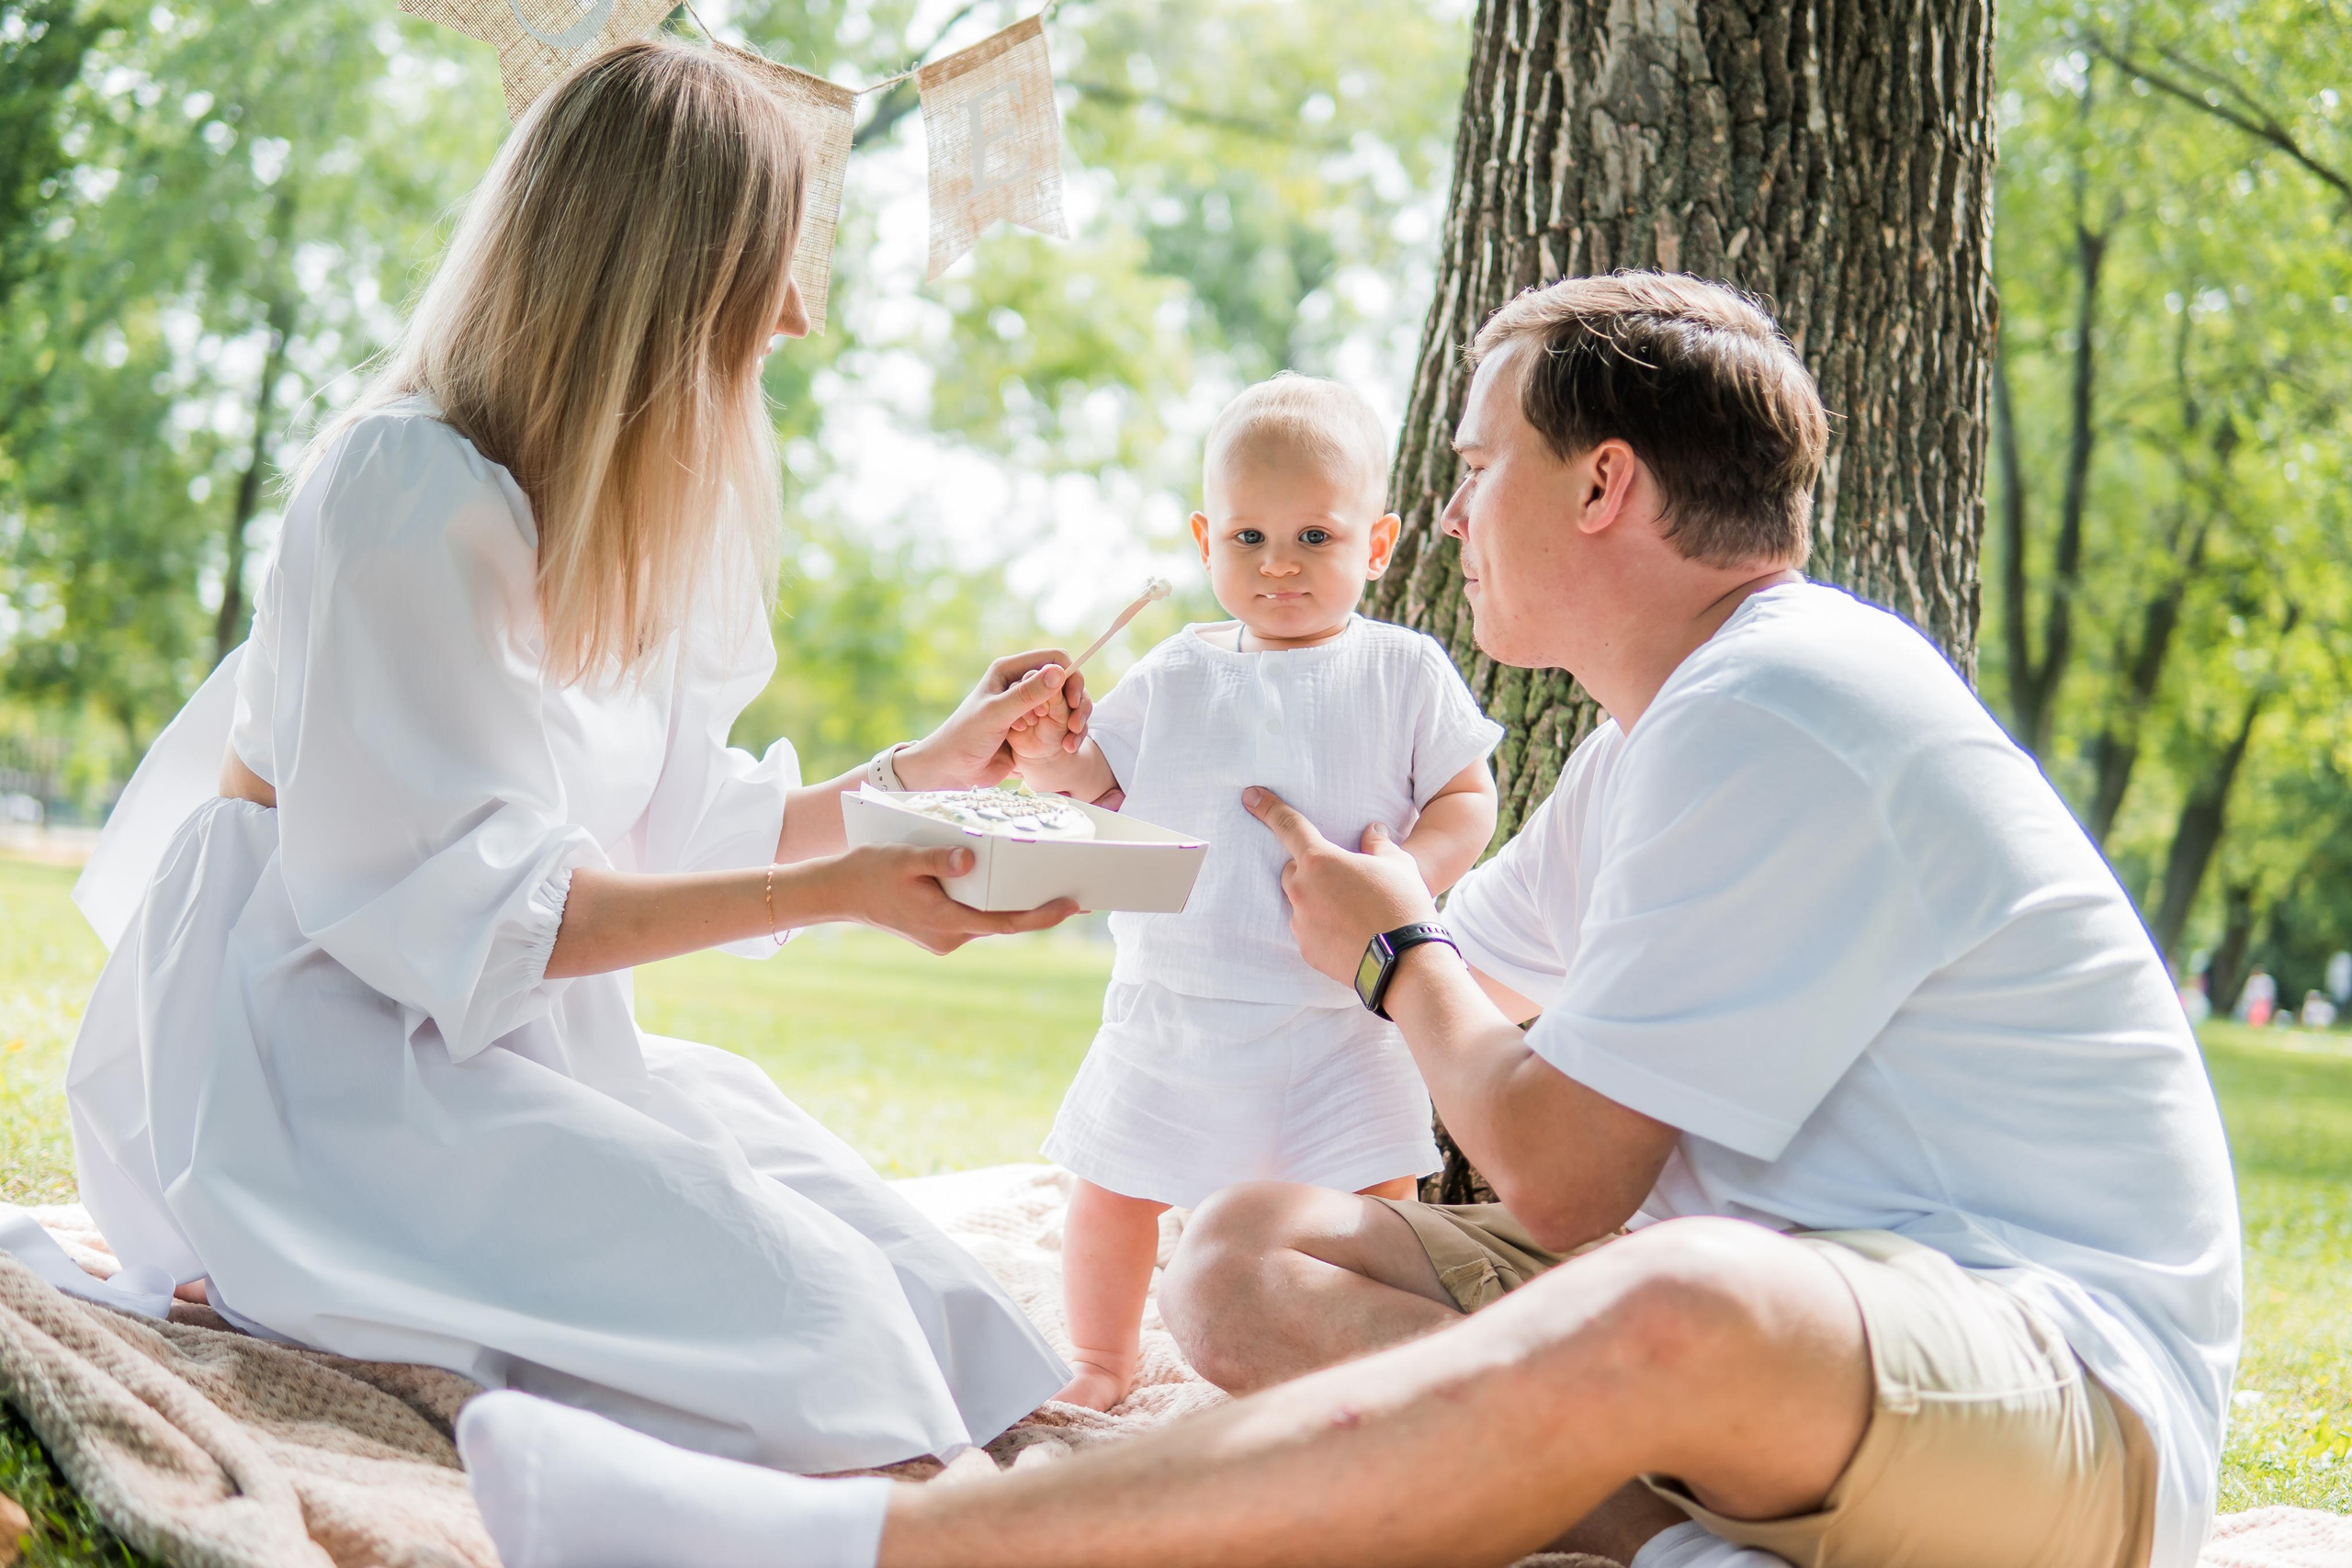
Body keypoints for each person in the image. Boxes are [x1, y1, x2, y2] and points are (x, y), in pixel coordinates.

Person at [454, 272, 2242, 1568]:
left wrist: (1394, 953)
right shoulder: (1673, 726)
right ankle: (1652, 1535)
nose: (1450, 512)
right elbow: (1502, 969)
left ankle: (878, 1549)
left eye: (1474, 469)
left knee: (1679, 1290)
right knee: (1239, 1249)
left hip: (2040, 1380)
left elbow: (1550, 1163)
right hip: (1809, 1339)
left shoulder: (1784, 708)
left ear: (1599, 484)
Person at [56, 39, 1095, 1473]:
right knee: (828, 1332)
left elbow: (676, 819)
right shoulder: (405, 493)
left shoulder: (614, 505)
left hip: (509, 1033)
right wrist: (852, 886)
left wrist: (921, 770)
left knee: (944, 1308)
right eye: (771, 271)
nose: (798, 314)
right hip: (328, 1061)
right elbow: (487, 918)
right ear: (665, 285)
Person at [1011, 374, 1501, 1408]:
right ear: (1204, 541)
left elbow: (1468, 793)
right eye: (1247, 538)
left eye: (1315, 537)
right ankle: (1101, 1360)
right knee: (1110, 1191)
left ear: (1375, 545)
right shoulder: (1177, 673)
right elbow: (1093, 780)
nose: (1279, 563)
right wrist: (1049, 749)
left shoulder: (1403, 669)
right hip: (1175, 1004)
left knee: (1371, 1203)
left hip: (1344, 1014)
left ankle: (1355, 1362)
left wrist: (1415, 873)